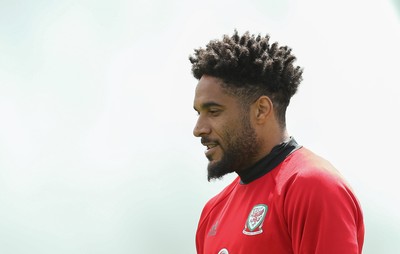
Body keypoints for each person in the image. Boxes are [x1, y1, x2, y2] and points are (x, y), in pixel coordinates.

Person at [189, 30, 364, 254]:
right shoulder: (212, 213)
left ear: (261, 110)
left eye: (213, 111)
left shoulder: (312, 186)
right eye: (198, 113)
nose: (198, 129)